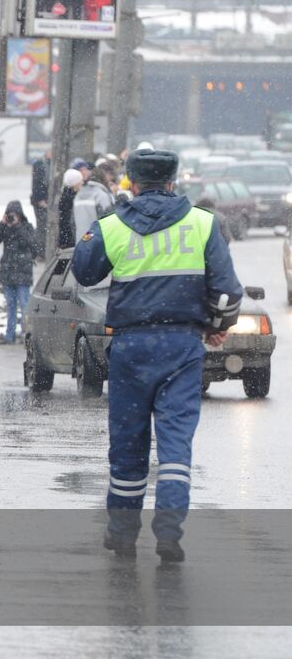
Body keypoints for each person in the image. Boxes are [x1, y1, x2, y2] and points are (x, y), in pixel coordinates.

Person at [71, 148, 242, 562]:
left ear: (130, 181)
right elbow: (227, 292)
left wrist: (102, 228)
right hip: (182, 347)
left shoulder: (112, 225)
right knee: (175, 445)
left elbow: (83, 271)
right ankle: (168, 534)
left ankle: (123, 534)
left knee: (128, 445)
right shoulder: (203, 224)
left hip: (131, 347)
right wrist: (216, 327)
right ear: (173, 181)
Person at [0, 201, 36, 344]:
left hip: (22, 272)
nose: (12, 218)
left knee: (24, 304)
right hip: (8, 272)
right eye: (9, 215)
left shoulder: (26, 227)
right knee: (10, 305)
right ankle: (9, 335)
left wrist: (17, 226)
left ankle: (26, 334)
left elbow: (29, 243)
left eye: (14, 215)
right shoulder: (5, 228)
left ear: (20, 215)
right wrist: (2, 224)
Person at [73, 158, 116, 241]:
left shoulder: (78, 195)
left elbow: (73, 223)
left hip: (81, 241)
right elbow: (108, 220)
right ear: (103, 179)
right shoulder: (101, 195)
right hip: (98, 243)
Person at [30, 147, 52, 259]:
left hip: (43, 200)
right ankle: (40, 251)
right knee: (42, 227)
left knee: (43, 226)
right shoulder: (41, 165)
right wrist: (41, 200)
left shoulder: (48, 165)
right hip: (41, 201)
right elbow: (37, 184)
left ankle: (41, 251)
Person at [57, 169, 83, 250]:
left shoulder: (65, 195)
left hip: (65, 237)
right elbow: (70, 221)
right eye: (80, 181)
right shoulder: (72, 198)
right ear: (74, 183)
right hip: (70, 237)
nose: (82, 183)